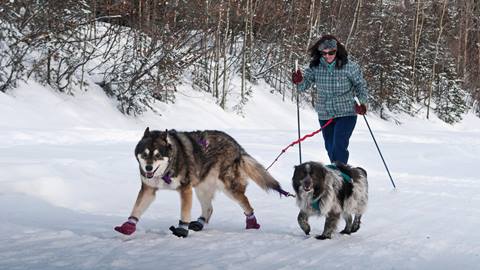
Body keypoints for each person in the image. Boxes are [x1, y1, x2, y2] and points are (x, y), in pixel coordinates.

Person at [291, 34, 368, 165]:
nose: (327, 56)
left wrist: (362, 103)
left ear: (337, 51)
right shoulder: (315, 67)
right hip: (325, 113)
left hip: (346, 112)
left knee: (339, 144)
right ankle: (339, 173)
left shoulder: (349, 66)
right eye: (324, 53)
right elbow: (303, 86)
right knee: (330, 147)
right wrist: (298, 81)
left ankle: (340, 175)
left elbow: (361, 85)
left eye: (331, 52)